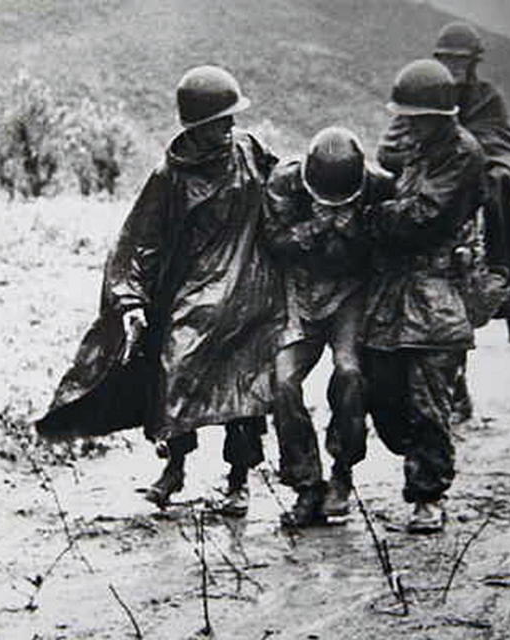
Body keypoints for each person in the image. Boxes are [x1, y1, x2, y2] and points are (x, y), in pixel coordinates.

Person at [35, 66, 281, 516]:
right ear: (199, 126)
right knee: (173, 370)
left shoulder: (249, 149)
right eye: (222, 120)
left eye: (232, 118)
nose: (231, 127)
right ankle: (174, 468)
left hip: (249, 288)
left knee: (244, 387)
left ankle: (239, 480)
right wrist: (129, 301)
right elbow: (138, 242)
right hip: (194, 291)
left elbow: (281, 190)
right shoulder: (169, 175)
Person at [378, 21, 510, 423]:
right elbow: (388, 150)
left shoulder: (487, 98)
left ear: (473, 64)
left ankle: (505, 270)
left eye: (460, 61)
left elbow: (503, 146)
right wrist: (425, 157)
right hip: (428, 197)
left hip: (473, 195)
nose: (453, 68)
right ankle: (452, 389)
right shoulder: (421, 93)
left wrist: (459, 155)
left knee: (499, 182)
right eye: (447, 60)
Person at [360, 59, 486, 533]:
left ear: (440, 114)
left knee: (429, 399)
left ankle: (428, 496)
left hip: (437, 293)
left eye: (414, 115)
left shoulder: (462, 153)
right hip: (393, 290)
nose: (406, 123)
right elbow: (395, 184)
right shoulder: (418, 146)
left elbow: (423, 216)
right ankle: (416, 458)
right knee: (382, 395)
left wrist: (372, 218)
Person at [262, 126, 394, 527]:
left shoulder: (378, 186)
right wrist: (315, 228)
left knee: (350, 374)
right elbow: (272, 241)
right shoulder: (284, 182)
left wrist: (354, 230)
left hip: (350, 294)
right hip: (298, 294)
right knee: (283, 383)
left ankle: (342, 472)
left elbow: (393, 241)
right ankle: (306, 484)